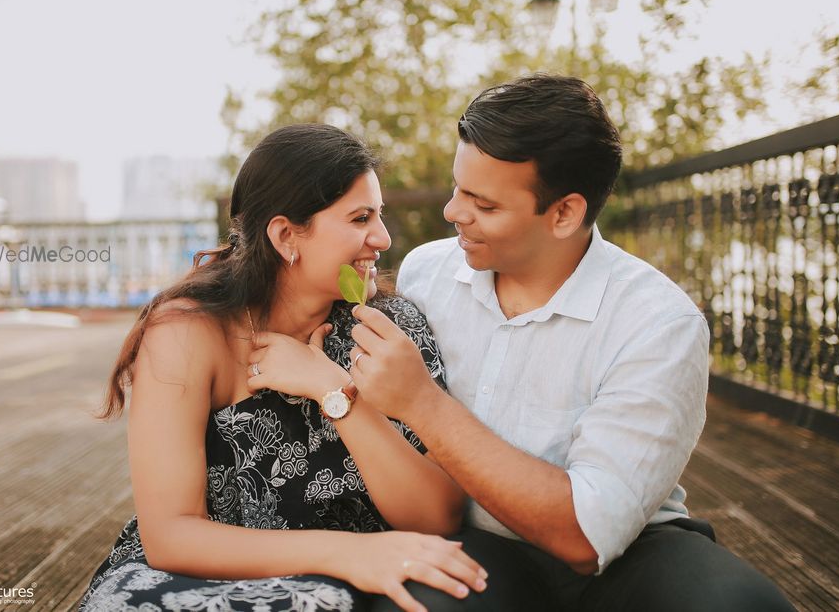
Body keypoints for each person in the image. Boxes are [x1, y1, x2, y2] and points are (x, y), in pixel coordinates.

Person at [341, 74, 796, 611]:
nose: (452, 212)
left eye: (483, 205)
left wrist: (422, 404)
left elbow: (586, 536)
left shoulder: (660, 323)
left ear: (565, 213)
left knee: (738, 606)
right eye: (457, 188)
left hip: (628, 554)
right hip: (476, 542)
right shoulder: (426, 273)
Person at [78, 124, 487, 612]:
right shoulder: (188, 333)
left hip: (351, 581)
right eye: (360, 219)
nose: (382, 237)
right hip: (196, 578)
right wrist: (351, 553)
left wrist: (333, 390)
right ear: (285, 235)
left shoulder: (390, 328)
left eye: (378, 216)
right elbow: (169, 535)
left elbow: (436, 516)